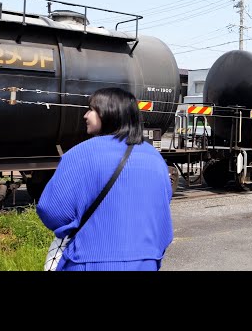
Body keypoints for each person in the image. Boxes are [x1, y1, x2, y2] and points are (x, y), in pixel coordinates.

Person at [36, 87, 173, 271]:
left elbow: (52, 211)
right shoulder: (155, 158)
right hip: (146, 261)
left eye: (92, 109)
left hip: (89, 261)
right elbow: (161, 210)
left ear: (110, 112)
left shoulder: (81, 153)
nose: (85, 115)